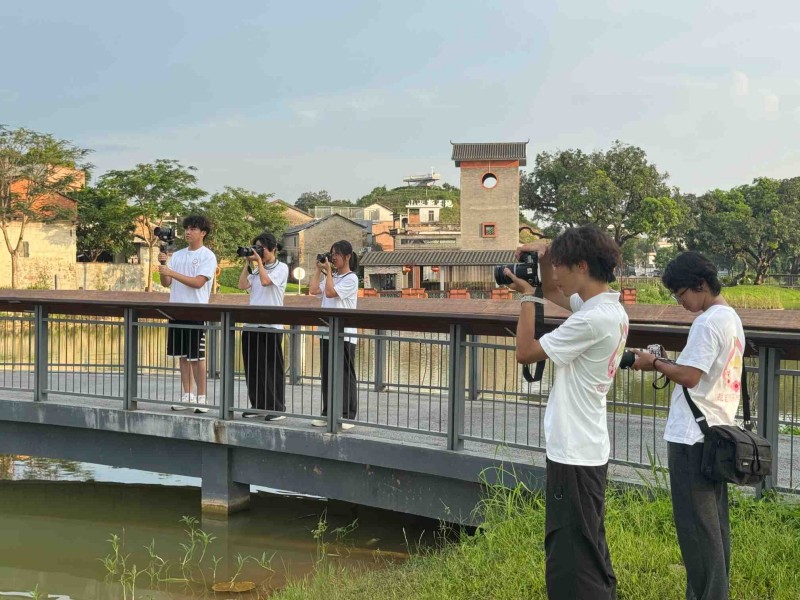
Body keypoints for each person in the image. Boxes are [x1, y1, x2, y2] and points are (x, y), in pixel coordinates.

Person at [504, 224, 628, 600]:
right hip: (586, 445)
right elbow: (555, 293)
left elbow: (526, 352)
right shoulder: (607, 307)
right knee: (588, 544)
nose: (554, 274)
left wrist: (526, 298)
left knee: (570, 556)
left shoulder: (591, 320)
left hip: (574, 450)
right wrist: (542, 263)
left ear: (580, 266)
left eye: (559, 265)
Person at [633, 252, 743, 600]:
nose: (679, 301)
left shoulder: (708, 322)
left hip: (692, 438)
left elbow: (690, 376)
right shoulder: (731, 318)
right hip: (718, 433)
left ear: (700, 285)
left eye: (681, 293)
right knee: (714, 528)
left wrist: (656, 363)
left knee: (696, 532)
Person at [157, 215, 218, 413]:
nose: (188, 232)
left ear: (203, 233)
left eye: (193, 229)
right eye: (186, 228)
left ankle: (202, 397)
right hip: (176, 311)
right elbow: (166, 283)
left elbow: (198, 282)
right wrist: (164, 268)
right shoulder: (179, 255)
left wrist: (172, 272)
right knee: (182, 356)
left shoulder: (207, 256)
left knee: (197, 358)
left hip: (196, 311)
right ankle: (187, 395)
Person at [237, 232, 288, 421]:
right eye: (257, 248)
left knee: (271, 369)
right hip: (251, 324)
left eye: (262, 249)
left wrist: (259, 262)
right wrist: (247, 263)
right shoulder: (257, 269)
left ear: (273, 249)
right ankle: (258, 404)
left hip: (271, 325)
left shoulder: (281, 268)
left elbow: (267, 282)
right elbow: (242, 285)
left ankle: (277, 407)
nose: (260, 252)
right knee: (253, 368)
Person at [308, 240, 359, 430]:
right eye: (331, 254)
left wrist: (328, 272)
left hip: (344, 334)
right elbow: (313, 290)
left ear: (347, 256)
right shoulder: (333, 276)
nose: (333, 257)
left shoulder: (351, 278)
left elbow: (330, 293)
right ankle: (328, 412)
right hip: (327, 333)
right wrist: (318, 269)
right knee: (328, 375)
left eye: (336, 254)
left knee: (345, 375)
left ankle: (347, 414)